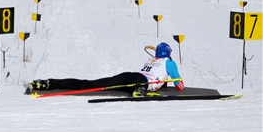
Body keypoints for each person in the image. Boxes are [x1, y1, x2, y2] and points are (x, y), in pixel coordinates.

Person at [30, 42, 184, 95]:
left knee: (89, 83)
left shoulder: (150, 60)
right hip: (140, 81)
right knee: (139, 86)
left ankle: (48, 83)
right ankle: (138, 90)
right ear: (168, 53)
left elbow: (159, 77)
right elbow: (179, 86)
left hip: (130, 75)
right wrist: (175, 80)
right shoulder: (169, 63)